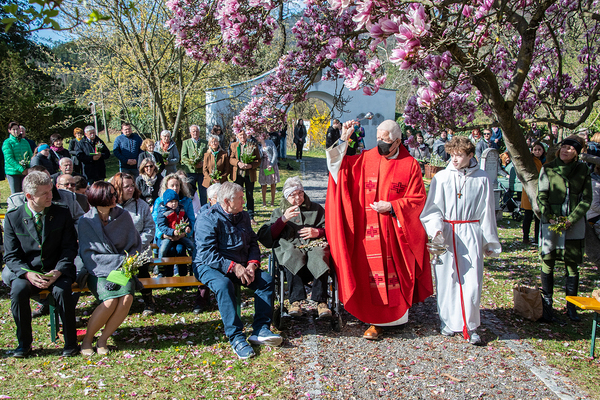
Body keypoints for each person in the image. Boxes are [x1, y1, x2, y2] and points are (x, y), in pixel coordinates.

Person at [325, 119, 433, 340]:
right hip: (369, 231)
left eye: (386, 140)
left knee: (395, 274)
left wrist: (393, 206)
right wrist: (344, 138)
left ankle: (396, 317)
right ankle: (375, 319)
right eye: (379, 139)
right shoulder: (368, 158)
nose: (381, 144)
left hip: (395, 231)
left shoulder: (410, 164)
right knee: (372, 276)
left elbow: (418, 199)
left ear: (397, 141)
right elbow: (341, 170)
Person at [420, 136, 501, 345]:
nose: (454, 159)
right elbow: (432, 210)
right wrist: (436, 229)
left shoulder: (482, 179)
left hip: (471, 231)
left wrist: (489, 242)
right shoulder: (442, 178)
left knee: (472, 281)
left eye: (459, 155)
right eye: (452, 155)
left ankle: (471, 326)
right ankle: (447, 321)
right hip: (447, 232)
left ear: (470, 156)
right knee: (447, 279)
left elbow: (487, 212)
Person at [193, 182, 282, 359]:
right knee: (224, 285)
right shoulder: (207, 218)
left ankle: (261, 329)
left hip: (241, 265)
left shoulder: (243, 216)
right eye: (240, 198)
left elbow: (253, 243)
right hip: (208, 266)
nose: (244, 202)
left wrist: (252, 264)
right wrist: (233, 267)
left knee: (266, 281)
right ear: (226, 201)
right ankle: (236, 337)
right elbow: (207, 254)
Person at [3, 171, 79, 358]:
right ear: (29, 196)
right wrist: (27, 274)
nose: (50, 196)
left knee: (62, 291)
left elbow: (69, 248)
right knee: (18, 291)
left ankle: (71, 343)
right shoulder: (13, 217)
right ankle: (24, 344)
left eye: (50, 191)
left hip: (57, 269)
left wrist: (58, 271)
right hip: (28, 272)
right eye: (44, 193)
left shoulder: (61, 213)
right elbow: (11, 256)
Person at [78, 181, 142, 356]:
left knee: (127, 297)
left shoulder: (124, 216)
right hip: (98, 270)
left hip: (122, 269)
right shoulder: (86, 221)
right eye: (112, 194)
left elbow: (135, 245)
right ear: (100, 198)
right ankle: (87, 340)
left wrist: (126, 263)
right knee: (110, 301)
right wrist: (117, 261)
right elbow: (88, 254)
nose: (116, 197)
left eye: (115, 194)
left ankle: (103, 339)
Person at [257, 177, 332, 318]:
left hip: (313, 249)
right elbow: (266, 236)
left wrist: (319, 232)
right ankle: (295, 302)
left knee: (320, 253)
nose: (298, 197)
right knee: (290, 253)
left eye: (300, 193)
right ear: (286, 196)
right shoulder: (279, 212)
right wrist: (283, 220)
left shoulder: (316, 209)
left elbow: (332, 229)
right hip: (291, 253)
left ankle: (322, 302)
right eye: (293, 195)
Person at [537, 135, 592, 323]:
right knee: (548, 260)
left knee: (572, 264)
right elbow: (541, 195)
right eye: (564, 147)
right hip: (551, 221)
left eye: (570, 148)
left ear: (577, 152)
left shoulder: (582, 170)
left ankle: (571, 306)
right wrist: (549, 215)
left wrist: (572, 219)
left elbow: (586, 199)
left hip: (574, 223)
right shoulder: (548, 168)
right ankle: (547, 304)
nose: (565, 150)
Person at [112, 172, 156, 316]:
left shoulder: (141, 205)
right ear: (118, 188)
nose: (130, 189)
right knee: (118, 270)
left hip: (140, 250)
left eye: (132, 186)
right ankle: (118, 300)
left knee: (142, 271)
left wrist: (136, 244)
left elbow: (150, 229)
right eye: (126, 187)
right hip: (118, 251)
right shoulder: (111, 207)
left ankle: (148, 300)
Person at [151, 173, 196, 277]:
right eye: (172, 185)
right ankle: (165, 274)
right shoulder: (160, 202)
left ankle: (185, 274)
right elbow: (156, 222)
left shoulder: (186, 201)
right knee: (169, 250)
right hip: (165, 235)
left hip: (182, 235)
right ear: (166, 186)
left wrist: (185, 232)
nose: (175, 188)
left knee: (180, 249)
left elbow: (191, 220)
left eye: (177, 185)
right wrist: (164, 234)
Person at [229, 130, 261, 225]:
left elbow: (258, 160)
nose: (242, 136)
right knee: (236, 195)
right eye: (240, 134)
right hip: (238, 174)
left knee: (249, 195)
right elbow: (230, 159)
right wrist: (238, 163)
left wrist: (251, 166)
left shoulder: (253, 145)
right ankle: (236, 215)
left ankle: (251, 217)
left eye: (244, 134)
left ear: (247, 135)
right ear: (237, 135)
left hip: (249, 175)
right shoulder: (233, 145)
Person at [156, 189, 195, 260]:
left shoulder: (181, 209)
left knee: (191, 245)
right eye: (171, 202)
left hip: (180, 235)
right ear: (166, 203)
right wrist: (172, 232)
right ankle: (160, 264)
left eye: (175, 201)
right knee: (163, 249)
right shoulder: (163, 212)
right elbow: (161, 225)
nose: (174, 204)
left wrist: (187, 227)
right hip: (168, 236)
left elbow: (186, 220)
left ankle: (194, 261)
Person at [521, 142, 545, 244]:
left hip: (542, 189)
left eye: (539, 149)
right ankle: (525, 237)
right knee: (528, 216)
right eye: (535, 150)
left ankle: (537, 237)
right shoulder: (529, 160)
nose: (537, 152)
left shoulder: (546, 161)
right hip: (529, 190)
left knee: (538, 217)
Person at [181, 125, 209, 204]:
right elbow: (183, 157)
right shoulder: (186, 142)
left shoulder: (205, 143)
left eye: (197, 131)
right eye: (193, 131)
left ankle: (203, 209)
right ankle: (191, 209)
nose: (195, 133)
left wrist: (203, 163)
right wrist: (192, 164)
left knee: (203, 193)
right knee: (190, 192)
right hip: (190, 172)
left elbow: (208, 155)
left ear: (199, 132)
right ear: (190, 132)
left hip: (202, 172)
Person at [3, 121, 33, 193]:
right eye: (13, 129)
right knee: (16, 194)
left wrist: (29, 167)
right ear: (9, 131)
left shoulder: (25, 142)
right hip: (13, 172)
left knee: (26, 193)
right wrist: (21, 169)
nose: (16, 131)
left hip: (25, 172)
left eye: (17, 129)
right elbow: (9, 158)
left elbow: (30, 155)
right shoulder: (7, 143)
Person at [256, 132, 280, 207]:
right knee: (264, 184)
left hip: (271, 164)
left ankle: (272, 202)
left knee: (272, 183)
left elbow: (275, 153)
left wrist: (271, 164)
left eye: (258, 136)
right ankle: (264, 202)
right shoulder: (258, 146)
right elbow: (259, 156)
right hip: (264, 165)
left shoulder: (270, 142)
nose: (257, 138)